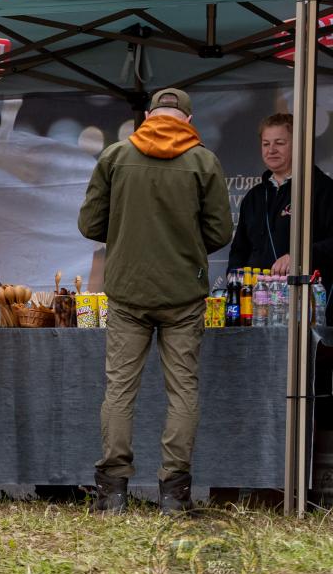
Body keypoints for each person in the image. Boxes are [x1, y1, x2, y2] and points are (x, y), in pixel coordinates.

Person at [78, 88, 233, 515]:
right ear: (189, 120)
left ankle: (112, 493)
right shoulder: (204, 161)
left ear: (148, 116)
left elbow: (90, 224)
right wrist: (184, 245)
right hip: (183, 293)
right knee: (182, 389)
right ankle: (174, 494)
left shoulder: (114, 156)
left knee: (119, 390)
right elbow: (220, 233)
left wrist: (126, 234)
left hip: (127, 291)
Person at [227, 112, 333, 284]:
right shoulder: (254, 196)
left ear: (298, 145)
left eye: (279, 143)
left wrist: (297, 257)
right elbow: (239, 249)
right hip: (257, 294)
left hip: (305, 292)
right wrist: (235, 272)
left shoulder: (322, 188)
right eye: (266, 144)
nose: (271, 150)